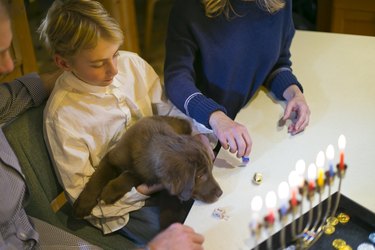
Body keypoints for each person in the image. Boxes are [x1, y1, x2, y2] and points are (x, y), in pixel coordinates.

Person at [0, 0, 204, 249]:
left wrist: (193, 133)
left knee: (216, 202)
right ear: (64, 63)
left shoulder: (132, 65)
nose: (114, 69)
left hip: (166, 170)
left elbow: (167, 110)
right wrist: (146, 187)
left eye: (115, 53)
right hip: (128, 204)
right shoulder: (63, 117)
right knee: (198, 232)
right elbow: (86, 197)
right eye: (98, 64)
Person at [164, 0, 311, 159]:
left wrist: (294, 93)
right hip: (200, 129)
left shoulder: (280, 3)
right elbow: (176, 78)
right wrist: (216, 118)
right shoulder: (189, 8)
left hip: (246, 124)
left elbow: (274, 63)